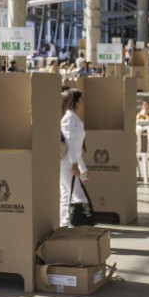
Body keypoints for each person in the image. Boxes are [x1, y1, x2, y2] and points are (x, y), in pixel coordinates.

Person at [60, 88, 89, 227]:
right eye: (80, 100)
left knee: (67, 194)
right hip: (67, 162)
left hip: (70, 161)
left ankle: (65, 224)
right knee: (78, 195)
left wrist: (82, 168)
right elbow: (70, 142)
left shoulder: (74, 118)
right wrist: (73, 164)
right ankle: (74, 225)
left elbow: (77, 147)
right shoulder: (69, 118)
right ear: (75, 102)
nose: (83, 103)